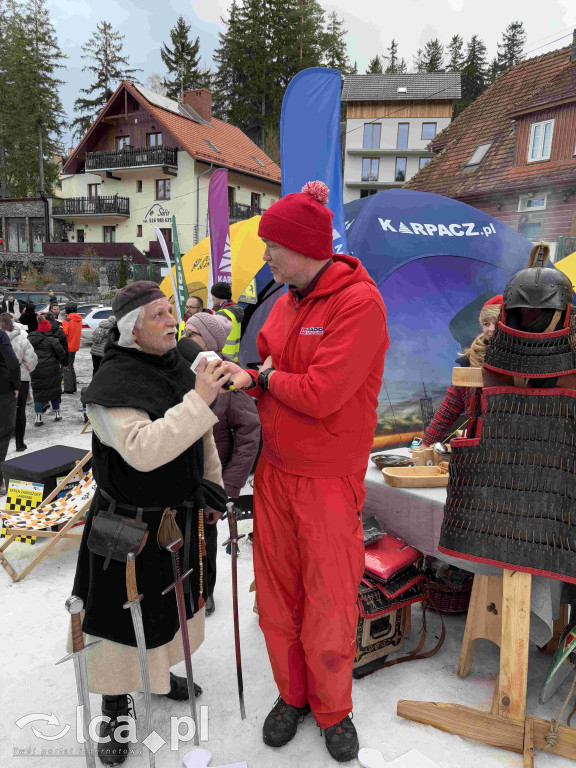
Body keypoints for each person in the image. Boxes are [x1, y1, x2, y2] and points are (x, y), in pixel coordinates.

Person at [222, 181, 389, 763]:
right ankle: (292, 696)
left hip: (326, 475)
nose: (266, 256)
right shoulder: (289, 298)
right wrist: (247, 369)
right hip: (275, 470)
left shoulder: (358, 303)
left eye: (274, 245)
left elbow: (322, 393)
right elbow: (265, 351)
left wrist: (264, 379)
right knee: (278, 596)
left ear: (307, 247)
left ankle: (333, 708)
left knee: (330, 599)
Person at [71, 281, 231, 766]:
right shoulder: (110, 386)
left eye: (170, 312)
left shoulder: (174, 366)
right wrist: (200, 398)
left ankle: (157, 677)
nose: (171, 322)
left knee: (169, 607)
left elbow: (200, 435)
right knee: (119, 617)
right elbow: (143, 452)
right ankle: (114, 704)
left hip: (177, 518)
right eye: (159, 315)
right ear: (131, 329)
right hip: (126, 526)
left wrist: (214, 487)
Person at [185, 311, 261, 617]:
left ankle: (205, 592)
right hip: (180, 474)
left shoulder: (227, 378)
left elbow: (249, 434)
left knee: (205, 538)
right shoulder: (180, 368)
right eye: (185, 330)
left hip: (210, 479)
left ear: (210, 341)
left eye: (192, 333)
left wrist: (227, 486)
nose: (184, 337)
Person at [419, 295, 503, 448]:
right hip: (476, 446)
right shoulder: (470, 362)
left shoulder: (521, 361)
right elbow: (449, 407)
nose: (491, 329)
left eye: (496, 323)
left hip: (510, 445)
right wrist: (426, 444)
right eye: (486, 323)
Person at [0, 313, 37, 451]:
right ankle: (20, 443)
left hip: (3, 379)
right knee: (20, 410)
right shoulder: (23, 340)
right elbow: (31, 363)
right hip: (21, 378)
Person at [28, 314, 65, 426]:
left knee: (38, 393)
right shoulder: (52, 340)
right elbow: (61, 354)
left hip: (36, 369)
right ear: (48, 327)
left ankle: (38, 418)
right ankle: (57, 414)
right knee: (54, 391)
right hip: (52, 369)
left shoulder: (30, 338)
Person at [0, 327, 20, 495]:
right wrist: (16, 385)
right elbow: (11, 360)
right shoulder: (0, 334)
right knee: (2, 433)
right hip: (2, 389)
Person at [211, 282, 244, 362]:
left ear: (218, 296)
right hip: (233, 357)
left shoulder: (222, 313)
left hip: (222, 357)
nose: (212, 298)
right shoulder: (234, 311)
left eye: (213, 295)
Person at [61, 302, 82, 393]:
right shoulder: (79, 319)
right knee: (71, 366)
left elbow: (64, 334)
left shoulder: (67, 321)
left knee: (66, 367)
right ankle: (73, 387)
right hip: (75, 345)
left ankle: (69, 388)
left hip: (67, 346)